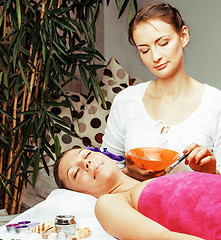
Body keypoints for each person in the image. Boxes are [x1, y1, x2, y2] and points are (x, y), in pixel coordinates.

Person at [101, 1, 221, 180]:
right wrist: (128, 172)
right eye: (144, 50)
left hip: (192, 206)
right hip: (130, 205)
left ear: (183, 36)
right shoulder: (126, 101)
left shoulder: (215, 103)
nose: (155, 57)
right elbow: (106, 169)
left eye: (163, 43)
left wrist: (211, 172)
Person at [53, 147, 221, 240]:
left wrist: (209, 173)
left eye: (87, 154)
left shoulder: (162, 178)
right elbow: (163, 238)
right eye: (75, 173)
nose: (86, 163)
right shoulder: (109, 203)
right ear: (79, 194)